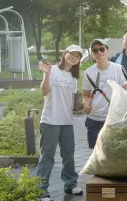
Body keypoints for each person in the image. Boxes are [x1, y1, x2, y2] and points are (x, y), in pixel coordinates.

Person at [36, 45, 84, 201]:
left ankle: (70, 184)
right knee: (47, 156)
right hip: (50, 120)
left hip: (66, 122)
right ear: (65, 54)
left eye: (77, 56)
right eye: (72, 54)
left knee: (69, 155)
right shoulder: (52, 70)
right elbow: (44, 92)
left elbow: (71, 102)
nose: (74, 57)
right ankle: (41, 189)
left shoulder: (73, 78)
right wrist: (47, 74)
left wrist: (71, 116)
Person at [83, 39, 127, 149]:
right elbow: (86, 95)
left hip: (113, 119)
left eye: (101, 49)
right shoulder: (88, 72)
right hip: (94, 119)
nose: (99, 52)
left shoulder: (118, 69)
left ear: (107, 50)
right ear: (93, 54)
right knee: (95, 153)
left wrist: (117, 102)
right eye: (95, 51)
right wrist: (86, 104)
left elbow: (125, 90)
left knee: (113, 152)